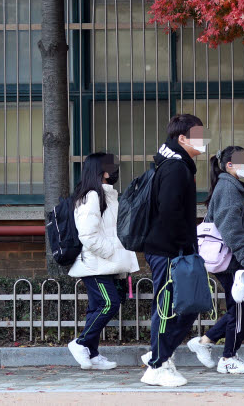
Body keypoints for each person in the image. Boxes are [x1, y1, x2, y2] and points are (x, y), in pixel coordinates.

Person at [140, 114, 208, 388]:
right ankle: (157, 365)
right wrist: (185, 248)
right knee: (169, 308)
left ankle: (159, 353)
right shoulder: (175, 168)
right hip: (170, 251)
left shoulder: (176, 165)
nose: (204, 142)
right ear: (182, 139)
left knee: (188, 306)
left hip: (175, 250)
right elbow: (168, 212)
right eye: (199, 136)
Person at [67, 152, 140, 371]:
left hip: (103, 262)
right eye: (112, 166)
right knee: (110, 303)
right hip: (95, 263)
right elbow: (88, 235)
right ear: (103, 171)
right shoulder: (92, 196)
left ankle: (92, 353)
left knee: (96, 307)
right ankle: (80, 343)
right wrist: (112, 252)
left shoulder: (105, 195)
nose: (116, 170)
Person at [188, 146, 244, 375]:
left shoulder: (227, 186)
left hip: (227, 259)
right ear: (230, 165)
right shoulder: (228, 189)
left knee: (237, 309)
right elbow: (231, 229)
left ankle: (205, 342)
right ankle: (228, 358)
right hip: (231, 261)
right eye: (243, 162)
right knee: (239, 310)